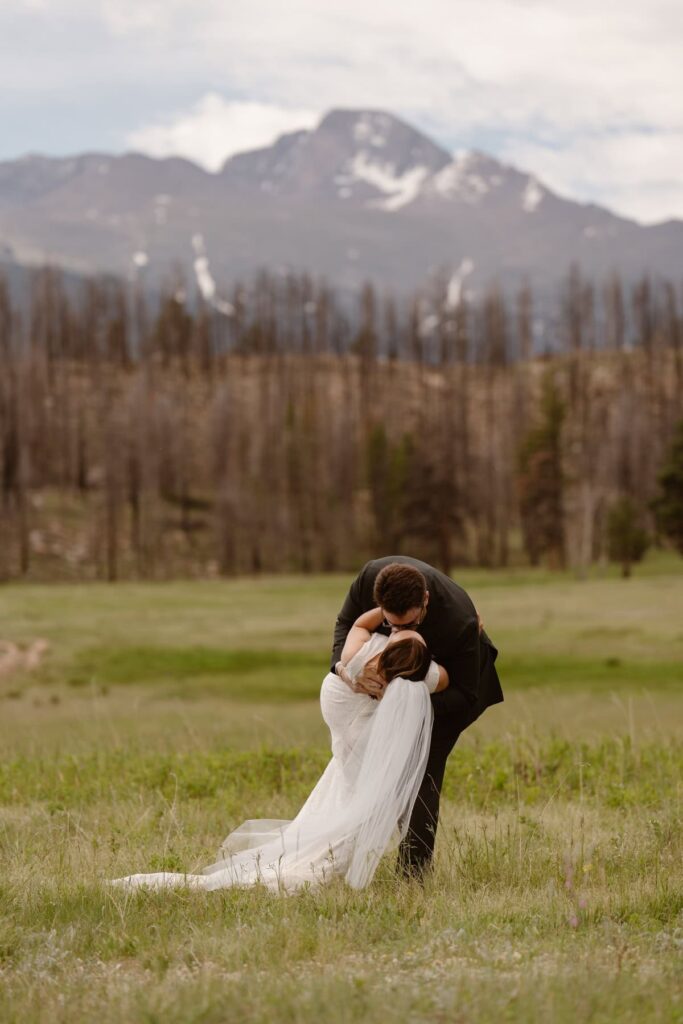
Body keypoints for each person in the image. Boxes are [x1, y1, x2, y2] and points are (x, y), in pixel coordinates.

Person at [110, 618, 440, 893]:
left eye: (399, 633)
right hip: (362, 749)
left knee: (331, 813)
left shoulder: (358, 661)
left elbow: (357, 624)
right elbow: (445, 677)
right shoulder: (415, 684)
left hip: (346, 742)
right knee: (321, 853)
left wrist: (385, 615)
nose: (396, 629)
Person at [331, 556, 503, 877]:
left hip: (454, 690)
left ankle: (413, 875)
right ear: (378, 602)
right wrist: (343, 669)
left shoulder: (459, 618)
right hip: (399, 682)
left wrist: (408, 706)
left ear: (424, 601)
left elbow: (465, 694)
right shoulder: (370, 576)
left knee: (424, 768)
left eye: (408, 625)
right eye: (391, 624)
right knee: (385, 765)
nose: (397, 632)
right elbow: (345, 623)